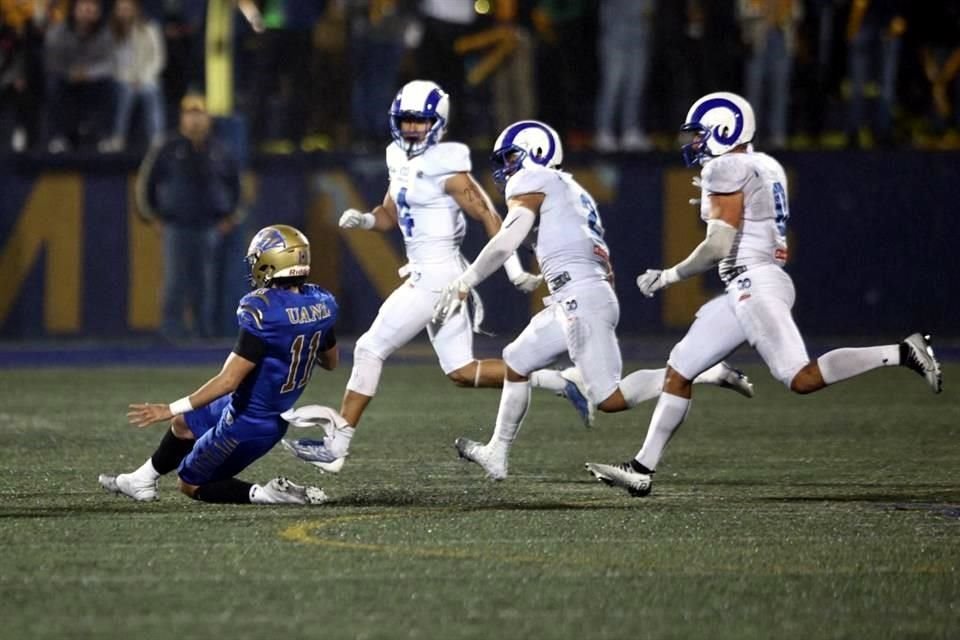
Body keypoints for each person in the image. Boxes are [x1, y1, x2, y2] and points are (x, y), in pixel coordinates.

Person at [585, 92, 943, 497]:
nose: (694, 145)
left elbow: (718, 247)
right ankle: (640, 469)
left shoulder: (726, 167)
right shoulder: (763, 163)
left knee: (800, 378)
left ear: (724, 131)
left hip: (753, 283)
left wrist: (668, 276)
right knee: (680, 367)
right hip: (752, 281)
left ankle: (903, 352)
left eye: (700, 136)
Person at [282, 81, 595, 474]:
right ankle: (562, 382)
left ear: (438, 122)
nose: (412, 128)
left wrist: (513, 268)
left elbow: (489, 215)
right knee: (462, 371)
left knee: (368, 348)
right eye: (407, 121)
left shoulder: (448, 167)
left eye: (420, 121)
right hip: (430, 273)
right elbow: (390, 213)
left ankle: (337, 445)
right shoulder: (396, 154)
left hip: (438, 276)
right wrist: (365, 219)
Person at [431, 119, 755, 480]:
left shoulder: (535, 179)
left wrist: (466, 281)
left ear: (535, 155)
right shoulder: (569, 189)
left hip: (580, 299)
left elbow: (508, 240)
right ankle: (497, 453)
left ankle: (704, 371)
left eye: (511, 158)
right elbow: (544, 239)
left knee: (610, 399)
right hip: (580, 295)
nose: (506, 168)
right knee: (517, 359)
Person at [99, 224, 337, 505]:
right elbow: (330, 362)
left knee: (190, 483)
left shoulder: (264, 310)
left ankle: (269, 494)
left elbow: (228, 380)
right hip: (259, 407)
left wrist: (167, 407)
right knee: (184, 423)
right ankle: (141, 480)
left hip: (247, 422)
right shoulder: (322, 303)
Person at [136, 93, 241, 340]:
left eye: (199, 113)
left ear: (208, 118)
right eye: (189, 113)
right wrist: (152, 216)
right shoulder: (167, 148)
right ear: (182, 118)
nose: (194, 119)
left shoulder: (220, 150)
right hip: (176, 225)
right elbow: (146, 184)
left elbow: (236, 187)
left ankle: (203, 334)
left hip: (209, 226)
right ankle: (171, 333)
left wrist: (230, 217)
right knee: (174, 282)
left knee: (205, 284)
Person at [101, 0, 166, 152]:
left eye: (128, 8)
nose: (124, 12)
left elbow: (158, 58)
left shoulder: (150, 28)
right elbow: (110, 63)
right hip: (120, 79)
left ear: (136, 10)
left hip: (146, 77)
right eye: (121, 9)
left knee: (152, 90)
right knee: (126, 92)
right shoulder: (109, 32)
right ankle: (118, 138)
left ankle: (157, 139)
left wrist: (143, 78)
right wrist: (128, 79)